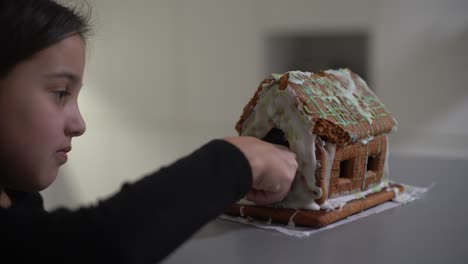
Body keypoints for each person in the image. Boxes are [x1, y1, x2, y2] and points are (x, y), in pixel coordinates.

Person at [0, 0, 298, 263]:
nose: (79, 125)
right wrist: (239, 160)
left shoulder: (20, 199)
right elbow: (95, 245)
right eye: (61, 93)